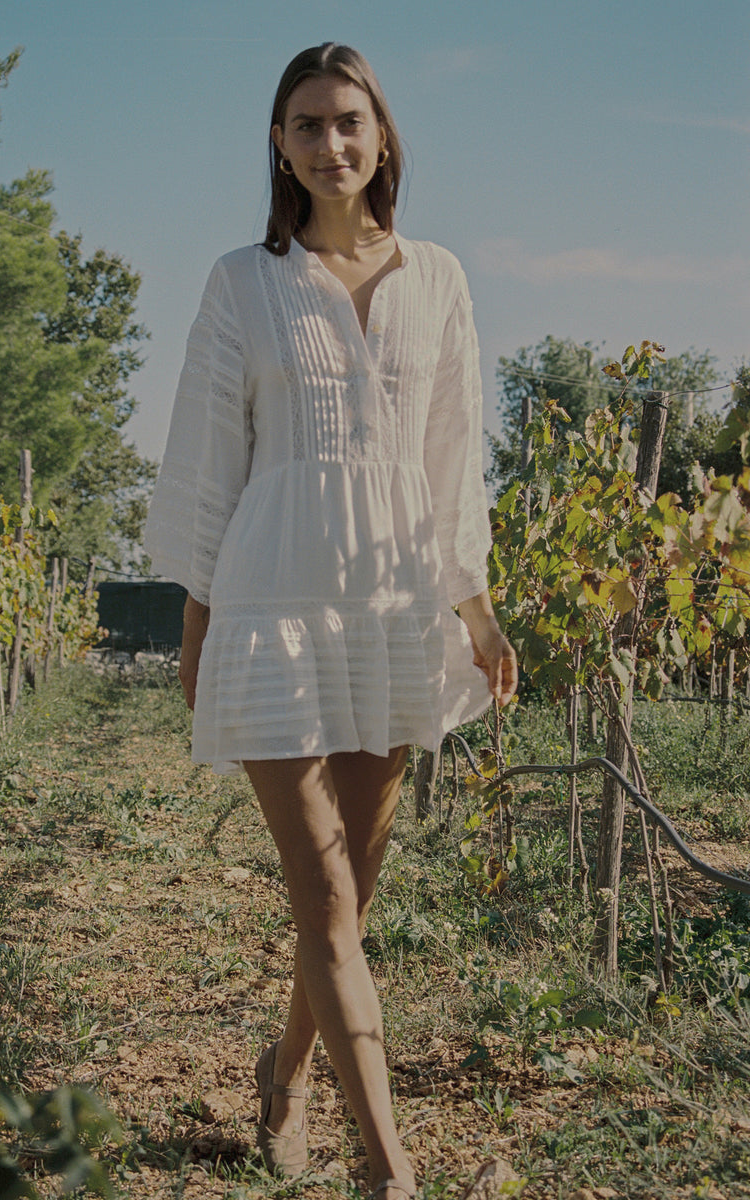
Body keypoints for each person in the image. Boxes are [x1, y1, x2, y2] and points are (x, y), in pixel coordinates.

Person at [145, 42, 517, 1200]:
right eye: (305, 125)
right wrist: (198, 627)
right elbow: (210, 466)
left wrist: (478, 609)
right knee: (320, 895)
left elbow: (455, 461)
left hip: (395, 609)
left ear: (383, 136)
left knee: (350, 896)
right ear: (278, 145)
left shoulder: (440, 278)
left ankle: (286, 1074)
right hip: (271, 607)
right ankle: (387, 1168)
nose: (330, 143)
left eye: (348, 121)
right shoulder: (239, 282)